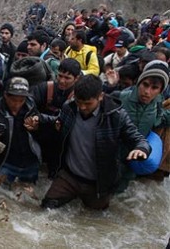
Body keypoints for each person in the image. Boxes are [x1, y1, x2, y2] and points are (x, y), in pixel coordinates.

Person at [37, 75, 150, 210]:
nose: (83, 107)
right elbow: (58, 121)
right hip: (68, 177)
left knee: (96, 220)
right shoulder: (70, 108)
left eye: (88, 103)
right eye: (79, 102)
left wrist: (142, 149)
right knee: (46, 209)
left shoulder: (116, 116)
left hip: (98, 184)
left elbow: (138, 139)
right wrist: (40, 119)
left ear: (100, 96)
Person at [0, 77, 42, 187]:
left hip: (30, 162)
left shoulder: (31, 106)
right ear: (6, 95)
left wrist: (37, 127)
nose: (17, 105)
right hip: (5, 163)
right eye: (14, 100)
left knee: (26, 196)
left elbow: (44, 126)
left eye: (21, 101)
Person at [116, 60, 170, 185]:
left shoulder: (157, 103)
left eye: (154, 88)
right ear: (139, 82)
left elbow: (162, 119)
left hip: (135, 158)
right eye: (145, 85)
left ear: (161, 90)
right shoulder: (122, 98)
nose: (147, 92)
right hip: (114, 157)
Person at [29, 58, 82, 176]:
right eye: (60, 76)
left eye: (67, 78)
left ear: (77, 78)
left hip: (63, 144)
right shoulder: (44, 88)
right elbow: (28, 105)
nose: (62, 81)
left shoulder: (80, 96)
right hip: (40, 135)